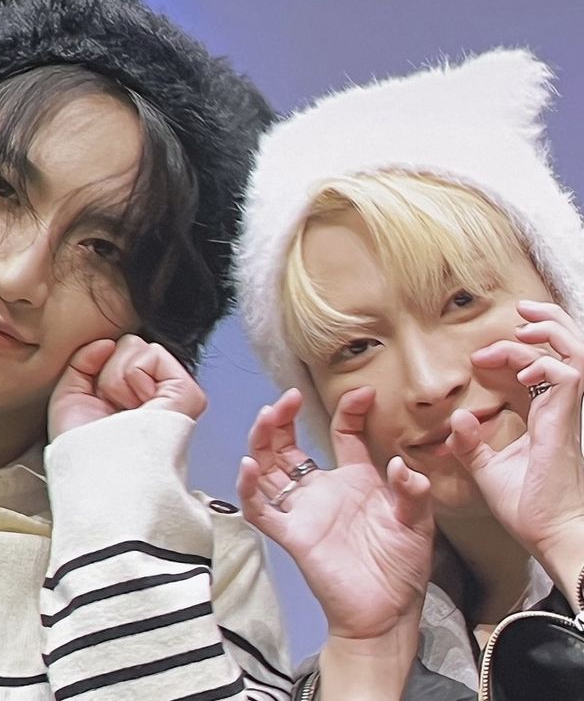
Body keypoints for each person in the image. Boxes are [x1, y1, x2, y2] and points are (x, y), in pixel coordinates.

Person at [0, 0, 294, 699]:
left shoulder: (196, 557)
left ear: (156, 315)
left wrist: (120, 510)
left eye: (105, 249)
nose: (21, 275)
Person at [235, 49, 584, 699]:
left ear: (561, 294)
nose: (428, 383)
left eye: (461, 301)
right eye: (358, 346)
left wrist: (570, 530)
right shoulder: (339, 674)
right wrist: (368, 657)